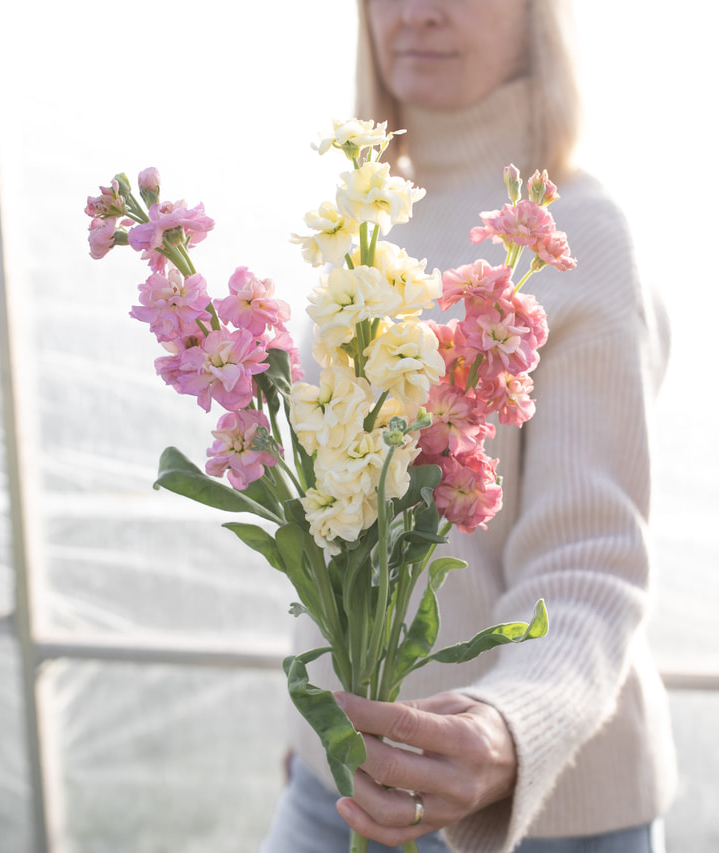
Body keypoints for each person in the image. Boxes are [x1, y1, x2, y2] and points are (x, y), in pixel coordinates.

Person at [260, 1, 677, 851]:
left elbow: (591, 562)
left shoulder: (578, 235)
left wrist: (502, 729)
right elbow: (339, 513)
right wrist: (316, 730)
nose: (418, 13)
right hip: (335, 789)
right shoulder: (367, 216)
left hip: (549, 811)